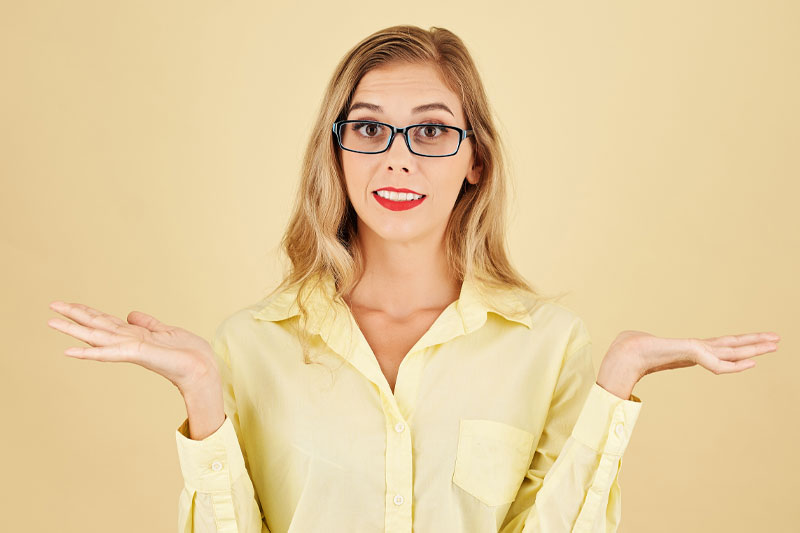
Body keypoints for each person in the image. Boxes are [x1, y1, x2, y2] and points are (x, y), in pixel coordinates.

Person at [46, 25, 781, 533]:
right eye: (368, 128)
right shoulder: (249, 343)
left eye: (431, 130)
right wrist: (202, 389)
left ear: (475, 162)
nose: (397, 158)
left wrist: (617, 381)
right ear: (335, 154)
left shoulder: (550, 344)